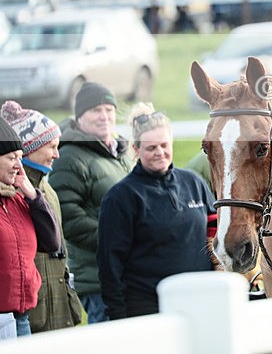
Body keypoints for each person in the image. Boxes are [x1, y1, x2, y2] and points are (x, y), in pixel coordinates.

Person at [97, 103, 216, 319]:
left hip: (200, 300)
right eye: (151, 148)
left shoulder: (194, 183)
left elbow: (215, 231)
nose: (160, 153)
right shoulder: (121, 197)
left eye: (164, 145)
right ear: (136, 149)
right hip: (148, 307)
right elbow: (110, 263)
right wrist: (117, 314)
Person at [49, 82, 133, 324]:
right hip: (97, 277)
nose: (104, 116)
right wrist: (116, 239)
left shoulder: (119, 152)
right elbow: (68, 217)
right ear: (80, 116)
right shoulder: (69, 157)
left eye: (109, 109)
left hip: (125, 270)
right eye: (96, 110)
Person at [1, 101, 83, 332]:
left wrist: (33, 196)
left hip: (31, 315)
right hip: (23, 315)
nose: (57, 155)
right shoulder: (13, 193)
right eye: (51, 146)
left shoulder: (33, 194)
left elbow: (53, 244)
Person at [0, 118, 60, 338]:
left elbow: (51, 243)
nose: (19, 165)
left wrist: (32, 194)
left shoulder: (17, 199)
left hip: (21, 319)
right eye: (11, 158)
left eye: (20, 157)